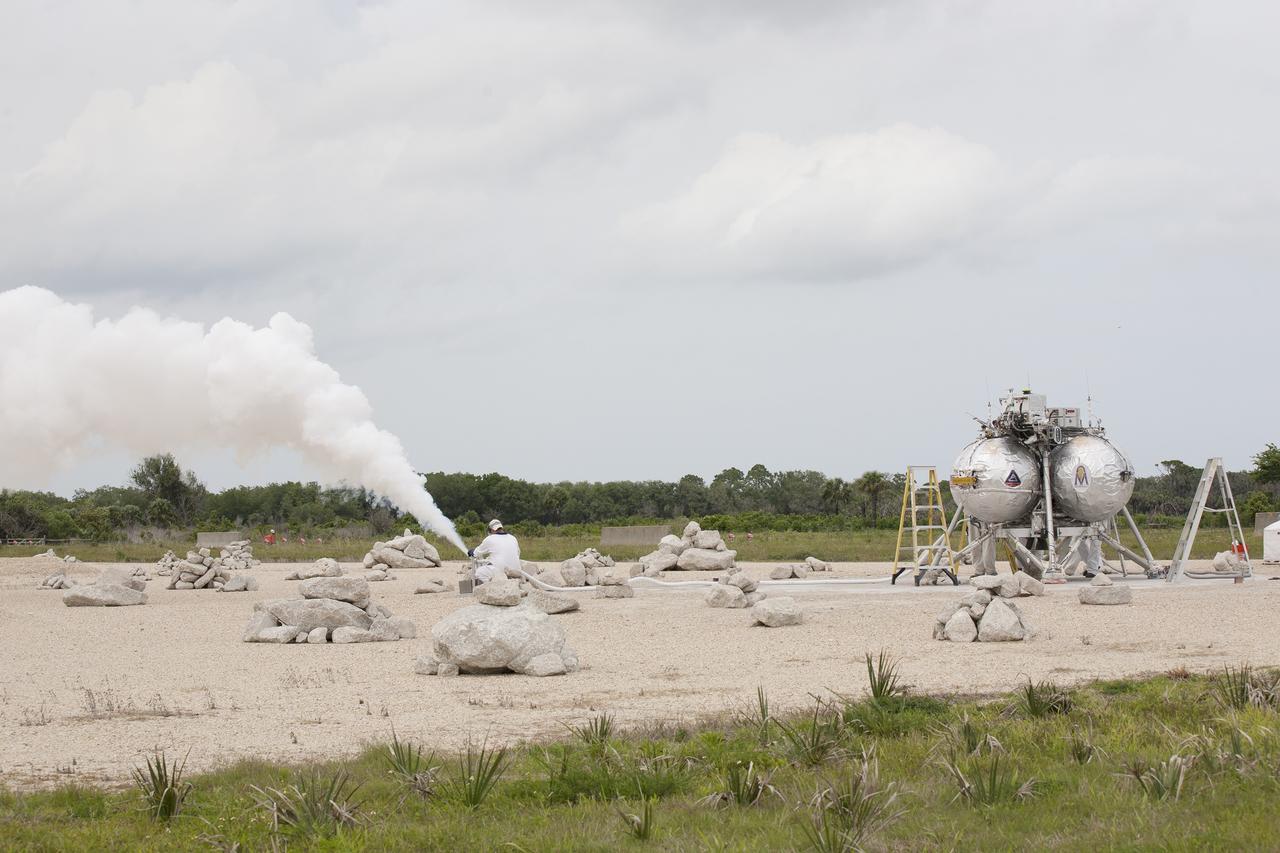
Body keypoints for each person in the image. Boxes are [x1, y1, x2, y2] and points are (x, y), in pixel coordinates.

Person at [468, 519, 521, 584]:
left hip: (501, 570)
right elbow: (518, 553)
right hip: (516, 570)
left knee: (479, 572)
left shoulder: (490, 539)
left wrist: (471, 551)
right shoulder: (513, 538)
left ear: (492, 530)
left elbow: (475, 553)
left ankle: (491, 587)